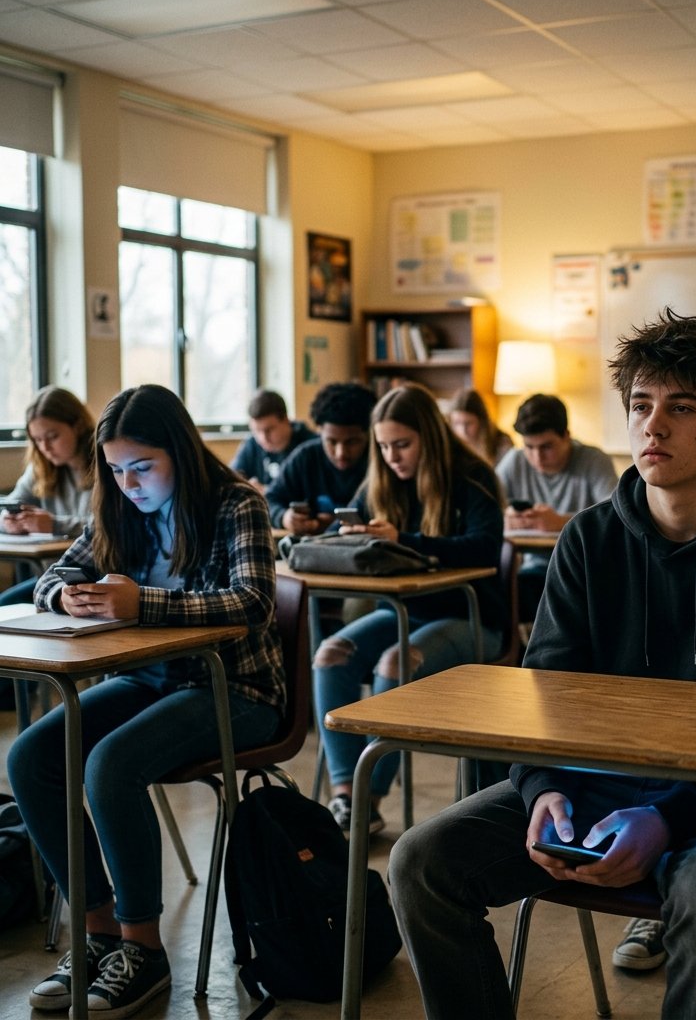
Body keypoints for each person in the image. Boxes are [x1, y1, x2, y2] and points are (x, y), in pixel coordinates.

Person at [388, 309, 696, 1019]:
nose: (652, 426)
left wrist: (668, 815)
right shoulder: (589, 541)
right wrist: (541, 788)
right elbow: (544, 697)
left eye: (682, 408)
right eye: (640, 405)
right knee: (421, 862)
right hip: (600, 781)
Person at [8, 384, 285, 1018]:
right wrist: (66, 598)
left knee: (110, 764)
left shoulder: (236, 503)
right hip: (149, 679)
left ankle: (143, 947)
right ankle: (98, 933)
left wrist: (144, 604)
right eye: (115, 469)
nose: (129, 483)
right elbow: (55, 573)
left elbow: (253, 603)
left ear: (180, 454)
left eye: (142, 467)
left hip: (234, 689)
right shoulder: (117, 506)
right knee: (31, 759)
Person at [314, 382, 505, 836]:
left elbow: (484, 549)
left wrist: (404, 541)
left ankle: (367, 799)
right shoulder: (381, 480)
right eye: (383, 446)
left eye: (402, 445)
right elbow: (357, 526)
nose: (392, 455)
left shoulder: (472, 477)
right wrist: (355, 537)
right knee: (330, 654)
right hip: (406, 611)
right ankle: (345, 793)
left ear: (430, 438)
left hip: (472, 616)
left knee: (395, 664)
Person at [496, 393, 617, 620]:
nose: (537, 457)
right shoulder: (515, 460)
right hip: (534, 570)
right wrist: (507, 516)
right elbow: (487, 508)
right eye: (529, 447)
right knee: (498, 593)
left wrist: (560, 522)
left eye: (546, 446)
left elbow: (615, 518)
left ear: (567, 436)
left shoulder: (594, 460)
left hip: (584, 570)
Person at [0, 386, 95, 607]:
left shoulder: (107, 465)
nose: (45, 447)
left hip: (94, 576)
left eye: (52, 436)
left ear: (78, 426)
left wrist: (54, 524)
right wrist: (7, 521)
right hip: (54, 578)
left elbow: (107, 527)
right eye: (37, 440)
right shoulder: (42, 468)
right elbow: (10, 504)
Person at [263, 381, 375, 536]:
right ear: (320, 431)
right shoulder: (306, 457)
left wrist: (334, 527)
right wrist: (284, 517)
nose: (340, 453)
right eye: (332, 441)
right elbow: (269, 499)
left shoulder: (380, 462)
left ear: (370, 433)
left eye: (352, 442)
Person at [230, 387, 315, 491]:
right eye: (257, 430)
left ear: (285, 420)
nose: (263, 438)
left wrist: (268, 493)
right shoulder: (251, 444)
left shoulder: (309, 446)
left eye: (269, 430)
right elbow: (230, 480)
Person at [448, 387, 514, 466]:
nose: (463, 430)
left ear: (482, 421)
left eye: (469, 423)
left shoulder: (502, 442)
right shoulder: (448, 444)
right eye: (457, 423)